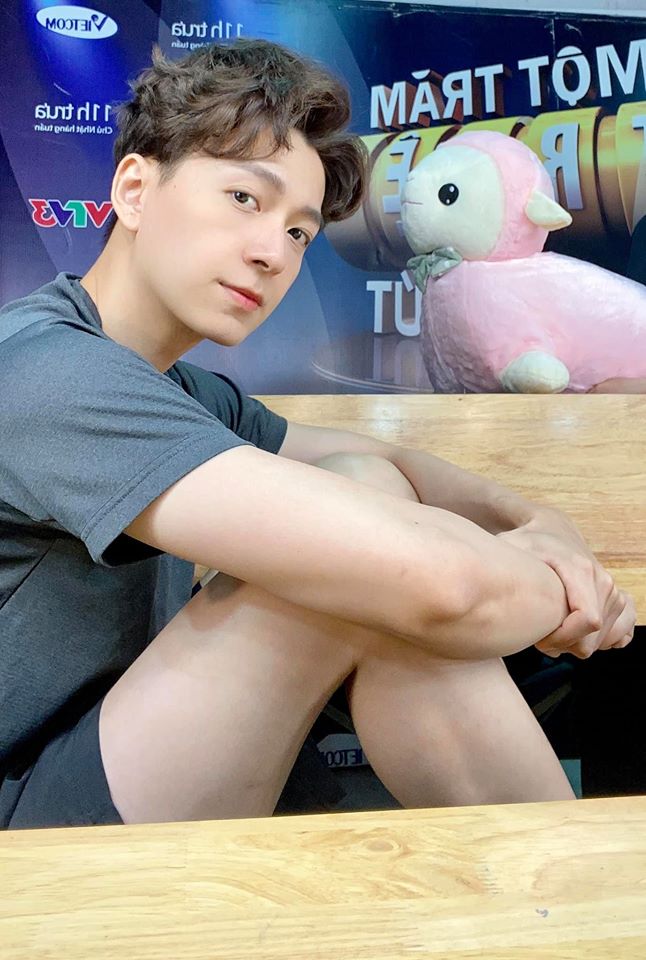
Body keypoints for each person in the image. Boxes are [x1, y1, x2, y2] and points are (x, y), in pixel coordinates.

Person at [0, 39, 636, 830]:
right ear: (135, 189)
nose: (273, 252)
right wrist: (575, 595)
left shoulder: (176, 391)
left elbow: (393, 459)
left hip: (102, 769)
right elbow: (446, 589)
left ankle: (561, 880)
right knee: (377, 565)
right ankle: (569, 877)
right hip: (25, 832)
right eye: (244, 198)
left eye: (300, 232)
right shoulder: (48, 374)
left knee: (369, 500)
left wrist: (542, 523)